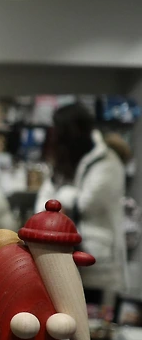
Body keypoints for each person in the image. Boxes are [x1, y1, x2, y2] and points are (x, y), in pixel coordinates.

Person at [36, 103, 128, 301]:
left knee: (92, 316)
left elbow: (86, 203)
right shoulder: (64, 161)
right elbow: (43, 202)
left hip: (98, 266)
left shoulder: (107, 162)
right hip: (65, 262)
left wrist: (62, 197)